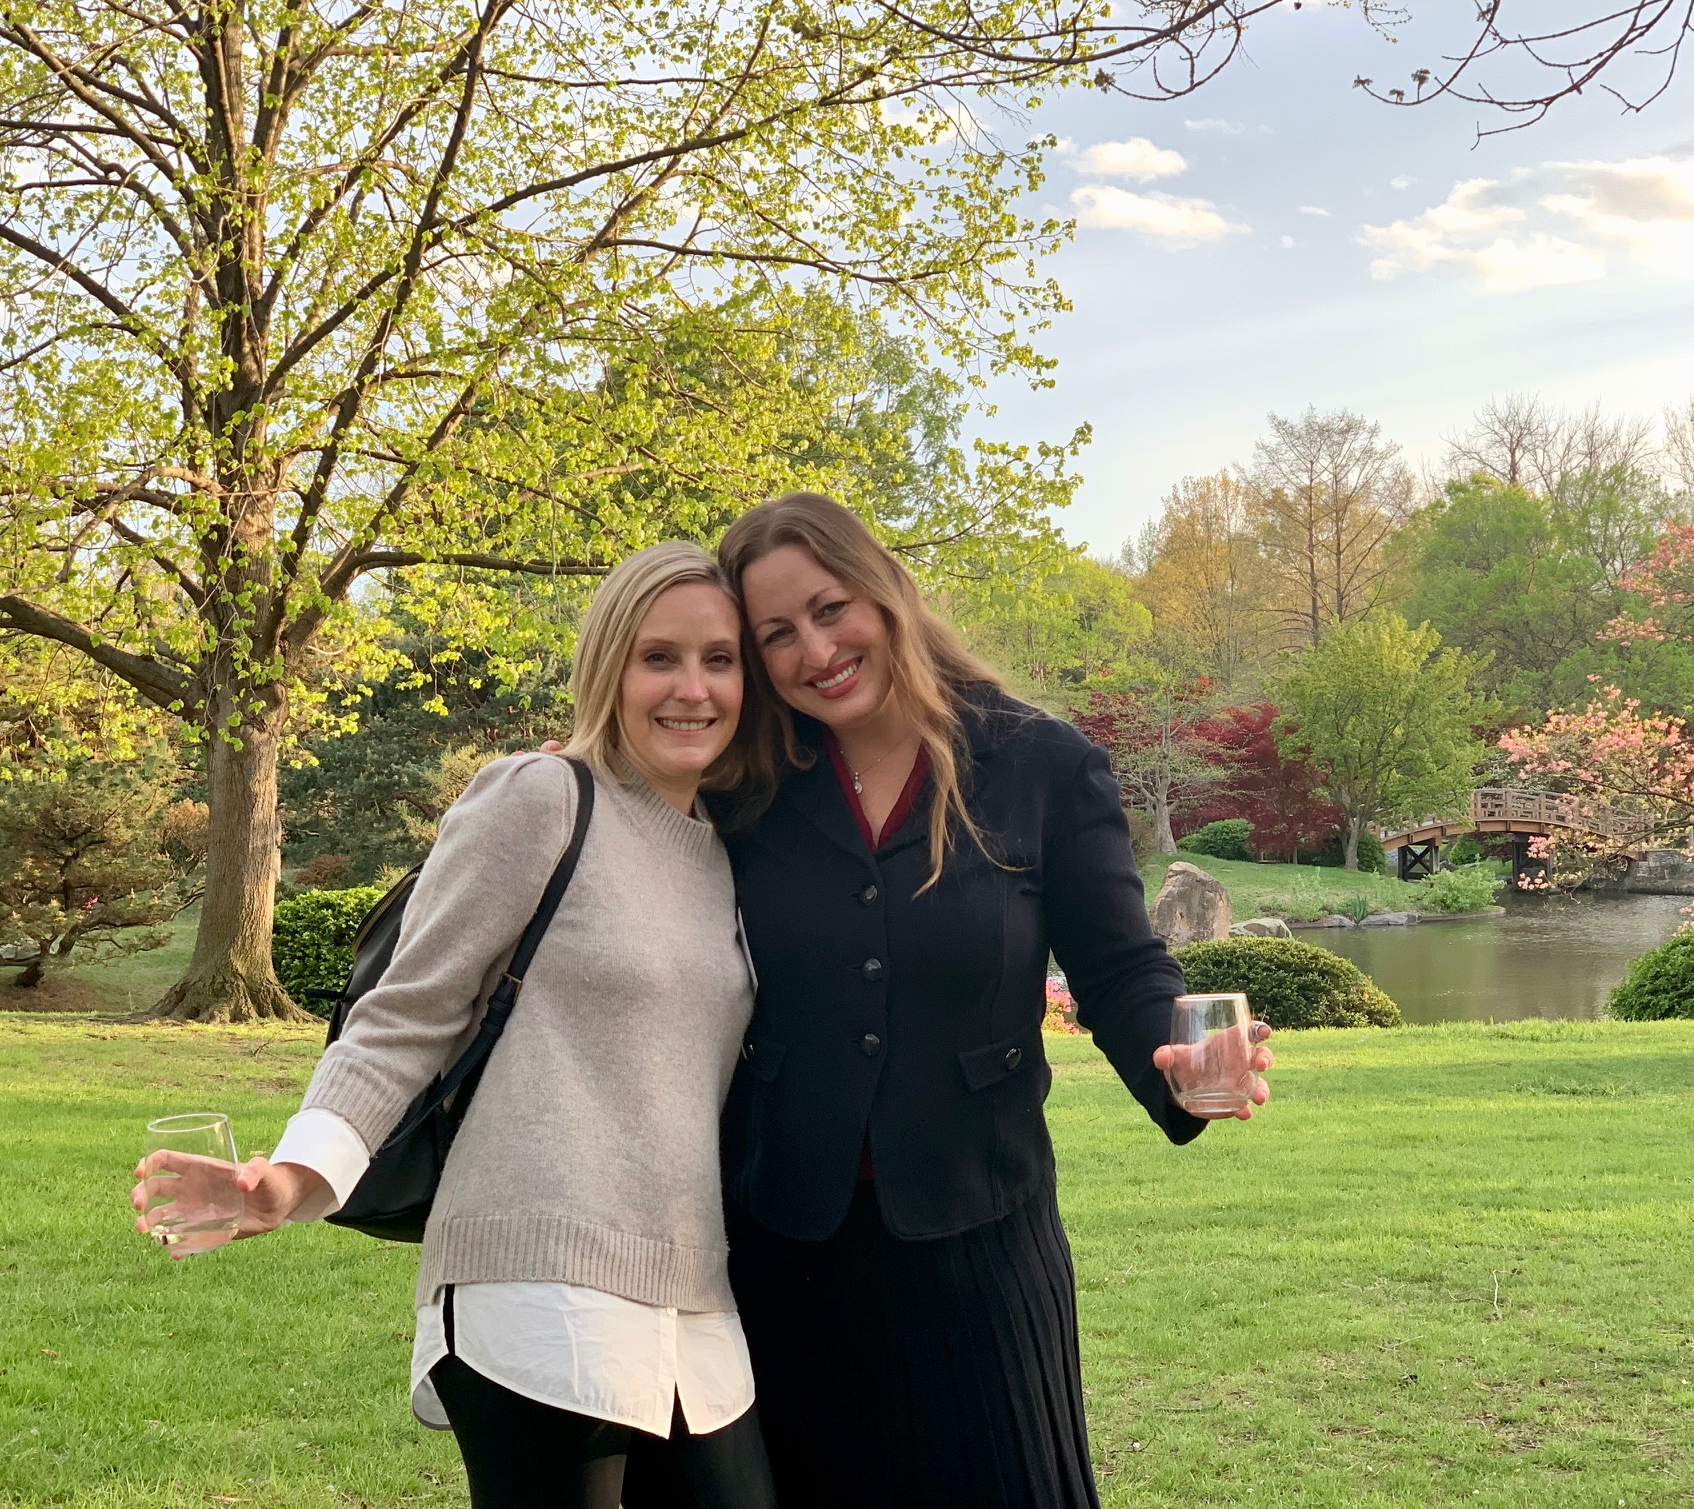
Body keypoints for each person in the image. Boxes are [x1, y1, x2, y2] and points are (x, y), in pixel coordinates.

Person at [133, 543, 779, 1509]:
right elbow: (406, 1016)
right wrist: (294, 1179)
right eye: (659, 657)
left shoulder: (727, 855)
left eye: (719, 659)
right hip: (537, 1286)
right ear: (608, 666)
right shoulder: (542, 797)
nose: (691, 688)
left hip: (694, 1300)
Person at [710, 492, 1274, 1509]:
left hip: (980, 1234)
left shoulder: (1038, 762)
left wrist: (1177, 1062)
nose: (816, 650)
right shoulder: (744, 781)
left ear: (885, 593)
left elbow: (1118, 969)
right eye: (776, 635)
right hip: (784, 1243)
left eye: (832, 608)